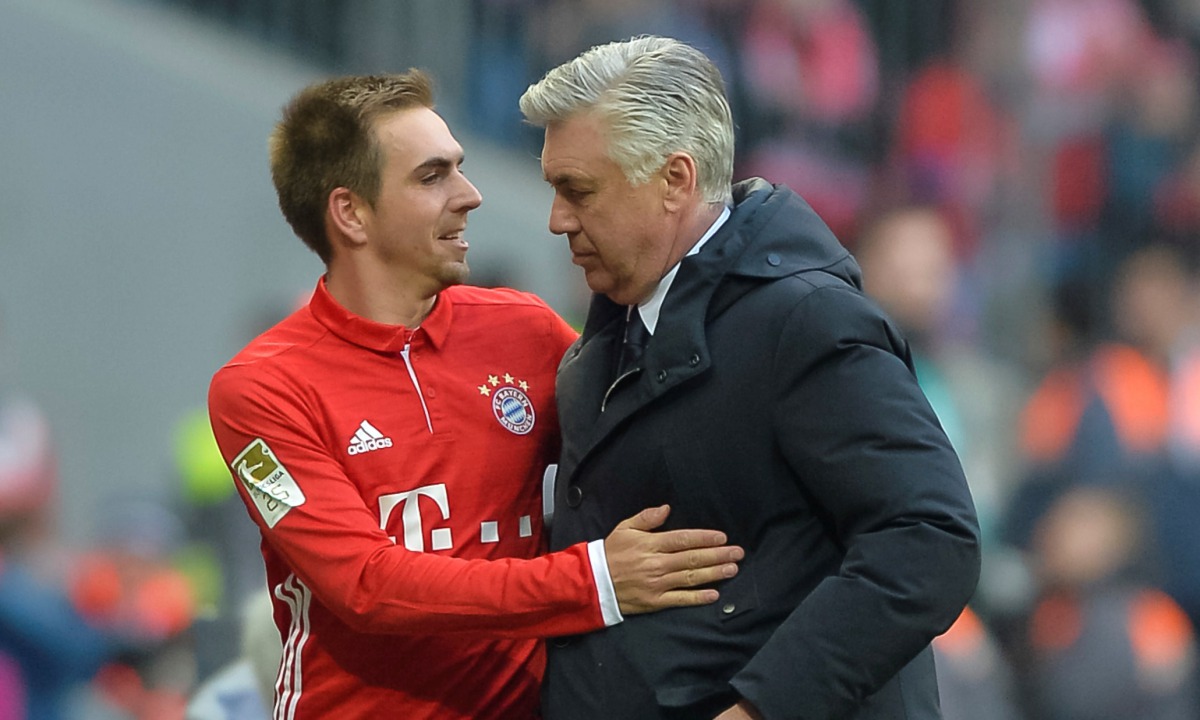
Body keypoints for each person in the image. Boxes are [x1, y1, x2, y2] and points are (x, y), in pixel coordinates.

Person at [207, 70, 744, 719]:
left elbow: (661, 434)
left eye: (459, 168)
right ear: (351, 213)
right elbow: (364, 585)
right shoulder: (258, 391)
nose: (470, 195)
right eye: (432, 176)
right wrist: (595, 578)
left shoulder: (523, 330)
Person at [519, 35, 982, 720]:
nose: (557, 219)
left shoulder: (804, 321)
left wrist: (760, 709)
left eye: (578, 190)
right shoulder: (608, 337)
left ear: (675, 180)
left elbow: (931, 537)